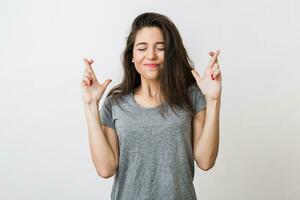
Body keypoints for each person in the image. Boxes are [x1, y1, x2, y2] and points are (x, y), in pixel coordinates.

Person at [81, 12, 221, 200]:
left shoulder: (191, 97)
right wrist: (90, 105)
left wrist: (213, 100)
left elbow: (205, 161)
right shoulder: (115, 104)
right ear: (132, 55)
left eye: (160, 48)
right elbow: (105, 169)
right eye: (142, 48)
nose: (151, 55)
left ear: (170, 54)